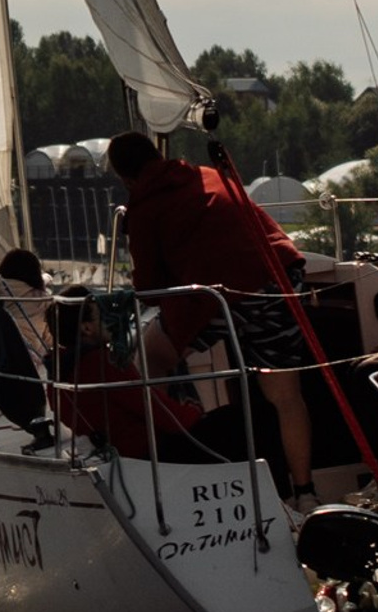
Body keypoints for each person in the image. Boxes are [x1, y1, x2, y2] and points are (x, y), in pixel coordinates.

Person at [110, 130, 318, 502]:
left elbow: (149, 288)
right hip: (279, 276)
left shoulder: (143, 205)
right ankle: (305, 492)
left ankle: (169, 477)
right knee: (286, 394)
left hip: (222, 294)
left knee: (152, 357)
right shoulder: (210, 174)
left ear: (126, 179)